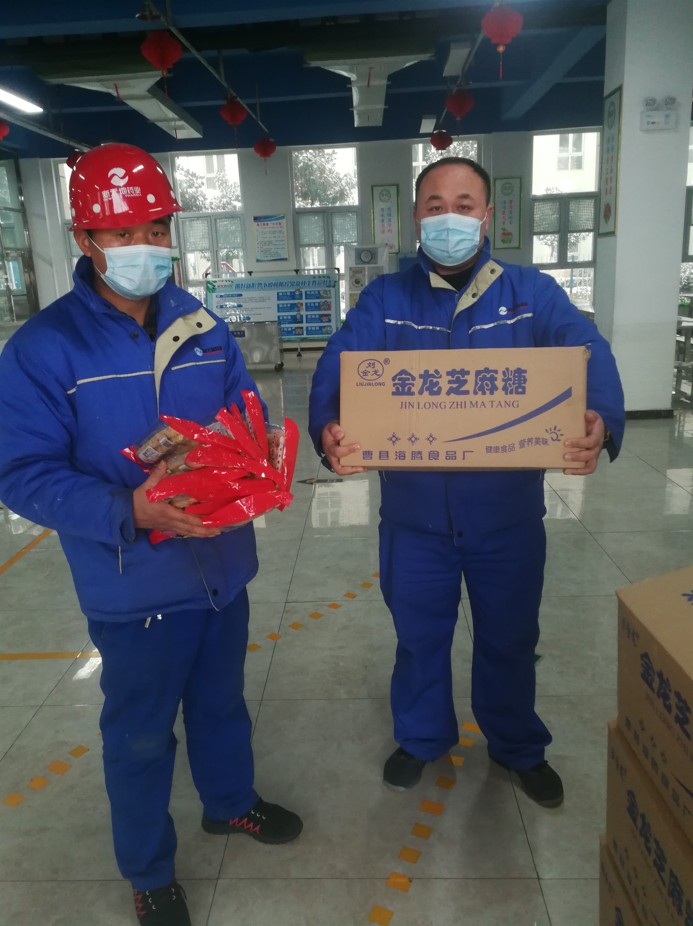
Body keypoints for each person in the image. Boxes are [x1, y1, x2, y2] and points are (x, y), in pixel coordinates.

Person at [0, 143, 302, 926]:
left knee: (221, 705)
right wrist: (128, 511)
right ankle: (148, 870)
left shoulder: (202, 325)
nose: (145, 246)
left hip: (220, 567)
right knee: (138, 737)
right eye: (123, 232)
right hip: (132, 586)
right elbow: (20, 472)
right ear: (85, 239)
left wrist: (261, 458)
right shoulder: (43, 349)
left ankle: (229, 802)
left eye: (156, 229)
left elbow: (243, 409)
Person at [309, 156, 625, 809]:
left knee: (510, 637)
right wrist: (329, 425)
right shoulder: (386, 299)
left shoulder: (530, 294)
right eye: (434, 206)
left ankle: (516, 744)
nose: (447, 217)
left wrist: (600, 417)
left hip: (505, 517)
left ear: (487, 216)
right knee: (418, 636)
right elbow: (341, 361)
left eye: (462, 205)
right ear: (415, 218)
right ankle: (421, 736)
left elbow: (584, 347)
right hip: (414, 519)